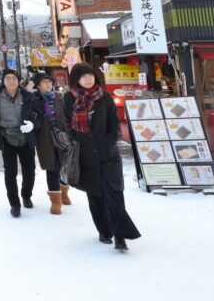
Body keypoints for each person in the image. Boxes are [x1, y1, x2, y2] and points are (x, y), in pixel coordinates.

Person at [65, 62, 141, 251]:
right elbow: (67, 123)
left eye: (90, 75)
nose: (88, 79)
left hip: (108, 155)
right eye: (83, 76)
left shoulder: (105, 97)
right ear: (76, 79)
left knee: (114, 195)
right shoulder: (68, 98)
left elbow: (114, 123)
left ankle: (120, 236)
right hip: (85, 156)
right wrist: (76, 143)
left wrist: (108, 144)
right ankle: (104, 231)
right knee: (96, 196)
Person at [0, 69, 40, 217]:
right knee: (10, 172)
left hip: (26, 137)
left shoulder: (28, 97)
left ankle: (26, 195)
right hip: (6, 137)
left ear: (19, 80)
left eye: (14, 78)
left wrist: (33, 125)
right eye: (7, 78)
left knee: (29, 170)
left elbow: (39, 115)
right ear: (3, 81)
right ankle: (14, 204)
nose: (11, 81)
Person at [31, 72, 72, 215]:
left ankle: (64, 193)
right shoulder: (34, 100)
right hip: (45, 139)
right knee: (52, 167)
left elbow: (69, 116)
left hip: (62, 137)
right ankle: (56, 201)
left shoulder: (61, 97)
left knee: (65, 166)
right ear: (38, 85)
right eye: (44, 82)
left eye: (49, 82)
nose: (48, 84)